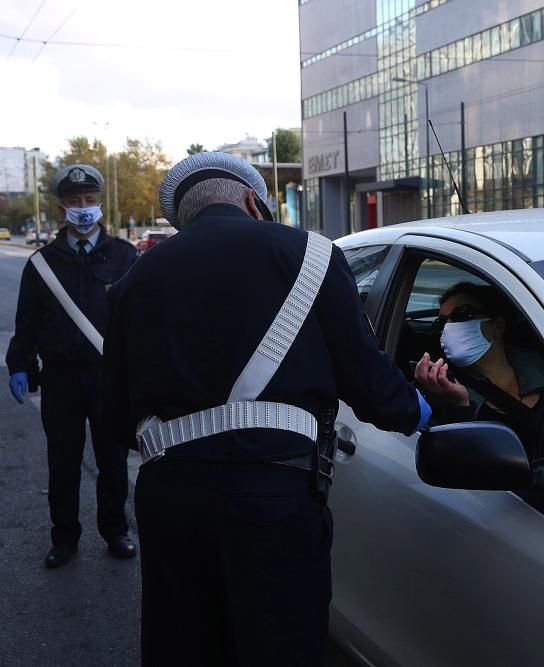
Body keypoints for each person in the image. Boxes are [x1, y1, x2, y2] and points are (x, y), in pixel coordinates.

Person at [101, 152, 431, 667]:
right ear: (255, 201)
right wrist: (425, 413)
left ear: (183, 220)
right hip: (273, 496)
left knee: (184, 647)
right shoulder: (311, 255)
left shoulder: (134, 280)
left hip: (171, 499)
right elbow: (367, 380)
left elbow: (117, 417)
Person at [6, 163, 138, 568]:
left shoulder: (124, 255)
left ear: (100, 202)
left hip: (109, 378)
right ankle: (64, 538)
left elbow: (139, 320)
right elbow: (27, 321)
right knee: (62, 462)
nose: (84, 208)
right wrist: (19, 364)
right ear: (62, 207)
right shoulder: (43, 263)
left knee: (113, 461)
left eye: (90, 200)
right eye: (74, 202)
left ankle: (115, 530)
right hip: (61, 379)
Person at [414, 282, 544, 456]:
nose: (448, 328)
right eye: (441, 322)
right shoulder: (441, 388)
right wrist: (460, 405)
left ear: (498, 326)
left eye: (462, 314)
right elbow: (457, 460)